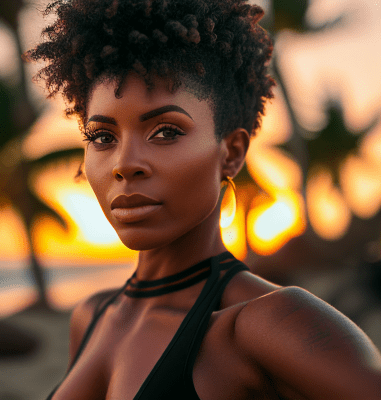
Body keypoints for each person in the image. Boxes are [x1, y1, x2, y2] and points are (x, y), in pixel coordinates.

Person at [25, 0, 381, 398]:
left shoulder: (268, 322)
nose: (125, 165)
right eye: (103, 137)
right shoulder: (91, 315)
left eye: (166, 131)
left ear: (231, 153)